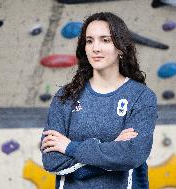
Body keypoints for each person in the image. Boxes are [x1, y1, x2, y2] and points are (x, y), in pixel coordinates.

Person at [41, 12, 158, 189]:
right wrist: (112, 149)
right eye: (89, 41)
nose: (96, 48)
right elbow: (52, 161)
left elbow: (132, 154)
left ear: (120, 47)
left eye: (105, 40)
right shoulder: (65, 96)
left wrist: (70, 147)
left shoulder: (141, 96)